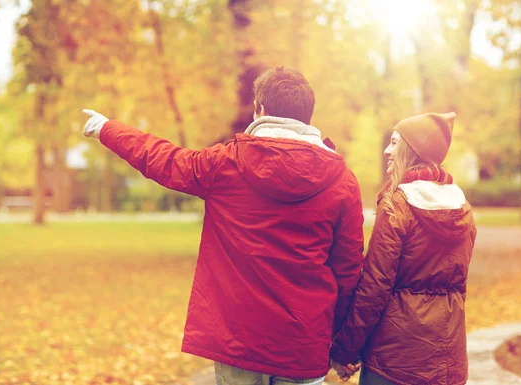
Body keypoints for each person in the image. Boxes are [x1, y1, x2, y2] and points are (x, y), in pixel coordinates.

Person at [81, 67, 364, 385]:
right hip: (303, 342)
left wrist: (108, 128)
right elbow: (349, 270)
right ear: (308, 116)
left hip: (237, 337)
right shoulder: (342, 180)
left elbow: (164, 159)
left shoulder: (225, 163)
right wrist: (343, 345)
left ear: (260, 109)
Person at [329, 112, 477, 385]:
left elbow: (373, 289)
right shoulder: (463, 209)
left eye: (395, 143)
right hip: (448, 363)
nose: (387, 150)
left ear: (412, 150)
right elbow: (458, 291)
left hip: (394, 364)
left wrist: (345, 351)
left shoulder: (398, 206)